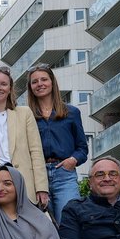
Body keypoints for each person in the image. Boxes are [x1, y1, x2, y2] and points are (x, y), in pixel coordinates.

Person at [0, 64, 48, 212]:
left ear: (10, 88)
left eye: (3, 84)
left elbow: (36, 152)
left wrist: (42, 187)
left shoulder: (25, 114)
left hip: (24, 187)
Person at [26, 63, 89, 225]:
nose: (40, 84)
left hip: (64, 175)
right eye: (35, 82)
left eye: (44, 79)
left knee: (69, 223)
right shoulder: (26, 116)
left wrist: (72, 161)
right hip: (37, 178)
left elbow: (82, 148)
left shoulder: (71, 112)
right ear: (30, 87)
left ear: (52, 82)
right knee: (45, 228)